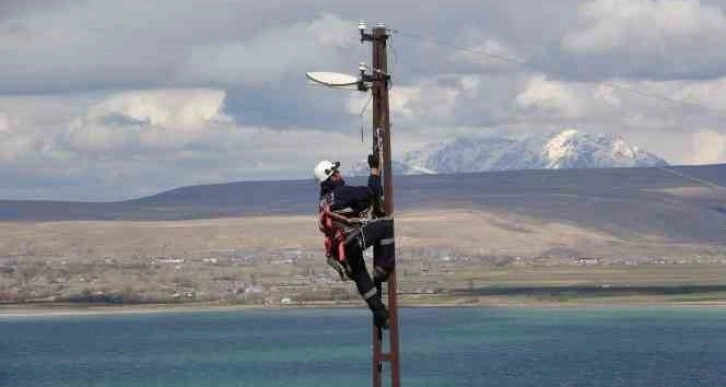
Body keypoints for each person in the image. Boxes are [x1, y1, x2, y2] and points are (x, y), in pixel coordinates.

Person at [314, 154, 395, 329]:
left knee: (360, 276)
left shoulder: (322, 202)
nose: (340, 174)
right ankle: (383, 267)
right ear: (332, 176)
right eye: (336, 172)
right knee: (387, 225)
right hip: (351, 240)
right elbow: (372, 193)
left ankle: (382, 316)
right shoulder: (342, 192)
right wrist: (374, 170)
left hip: (339, 250)